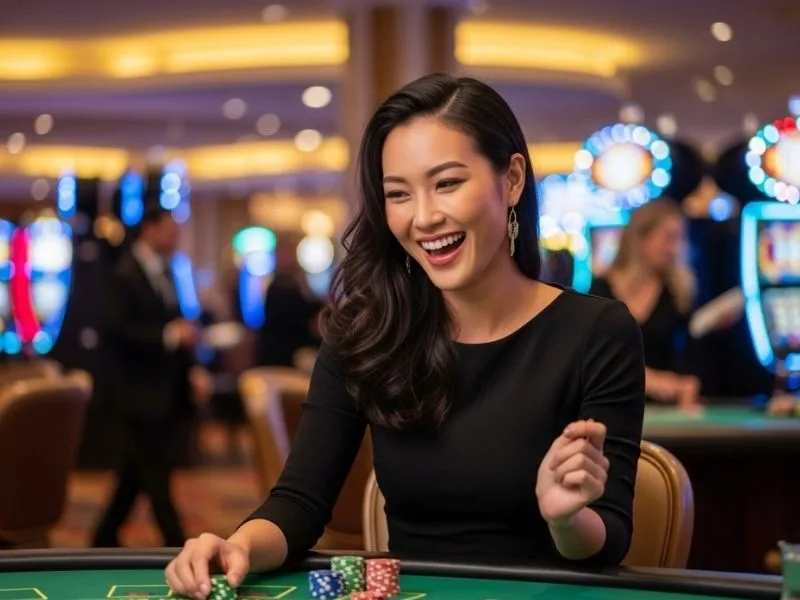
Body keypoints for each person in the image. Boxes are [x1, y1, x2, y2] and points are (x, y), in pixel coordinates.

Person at [165, 73, 645, 598]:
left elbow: (610, 537)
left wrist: (565, 519)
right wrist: (236, 545)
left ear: (511, 179)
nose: (424, 217)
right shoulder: (367, 333)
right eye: (398, 194)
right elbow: (299, 504)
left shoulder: (597, 332)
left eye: (447, 183)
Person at [93, 207, 208, 547]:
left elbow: (177, 323)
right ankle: (178, 544)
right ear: (149, 229)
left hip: (163, 393)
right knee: (156, 474)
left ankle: (103, 539)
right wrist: (169, 336)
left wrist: (192, 370)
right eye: (170, 230)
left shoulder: (167, 270)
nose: (176, 237)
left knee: (135, 473)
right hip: (136, 393)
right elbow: (117, 331)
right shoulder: (123, 273)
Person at [589, 199, 700, 406]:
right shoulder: (600, 290)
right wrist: (644, 378)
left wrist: (686, 386)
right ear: (641, 238)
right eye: (669, 238)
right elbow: (589, 360)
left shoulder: (677, 293)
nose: (675, 248)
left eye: (680, 239)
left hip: (664, 411)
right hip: (610, 405)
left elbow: (688, 363)